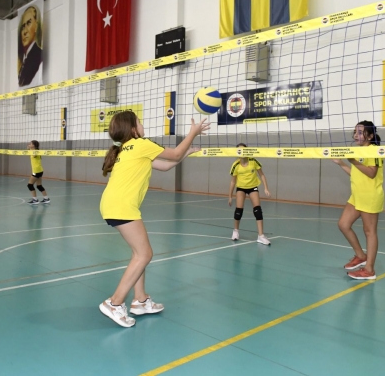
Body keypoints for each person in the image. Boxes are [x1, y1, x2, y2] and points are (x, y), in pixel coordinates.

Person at [98, 112, 209, 328]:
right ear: (133, 129)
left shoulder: (127, 149)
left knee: (139, 253)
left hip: (114, 204)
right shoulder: (140, 144)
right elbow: (175, 154)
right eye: (139, 122)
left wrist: (187, 153)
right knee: (145, 254)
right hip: (121, 206)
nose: (142, 125)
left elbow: (166, 165)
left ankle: (140, 300)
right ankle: (115, 303)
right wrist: (193, 133)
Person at [333, 121, 384, 280]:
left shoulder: (374, 150)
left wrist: (353, 161)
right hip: (356, 196)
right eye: (355, 132)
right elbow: (355, 173)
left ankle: (369, 270)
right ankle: (361, 256)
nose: (356, 135)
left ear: (370, 136)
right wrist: (341, 164)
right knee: (343, 224)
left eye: (360, 132)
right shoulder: (357, 150)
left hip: (370, 196)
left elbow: (371, 173)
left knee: (369, 232)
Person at [228, 143, 271, 245]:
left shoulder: (253, 161)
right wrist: (230, 196)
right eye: (239, 151)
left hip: (252, 187)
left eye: (243, 150)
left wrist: (266, 188)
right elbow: (233, 181)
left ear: (247, 151)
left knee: (258, 210)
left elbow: (262, 175)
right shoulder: (236, 165)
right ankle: (235, 231)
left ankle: (261, 236)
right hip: (241, 188)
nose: (242, 152)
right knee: (238, 211)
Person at [17, 5, 43, 87]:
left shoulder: (38, 56)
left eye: (29, 23)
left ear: (36, 26)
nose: (25, 31)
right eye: (23, 27)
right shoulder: (23, 62)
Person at [27, 140, 49, 205]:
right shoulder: (33, 150)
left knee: (30, 185)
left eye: (31, 144)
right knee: (39, 185)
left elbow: (34, 155)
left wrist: (30, 149)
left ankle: (35, 200)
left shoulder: (36, 151)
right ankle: (46, 198)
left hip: (36, 171)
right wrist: (29, 149)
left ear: (34, 145)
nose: (29, 144)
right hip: (39, 170)